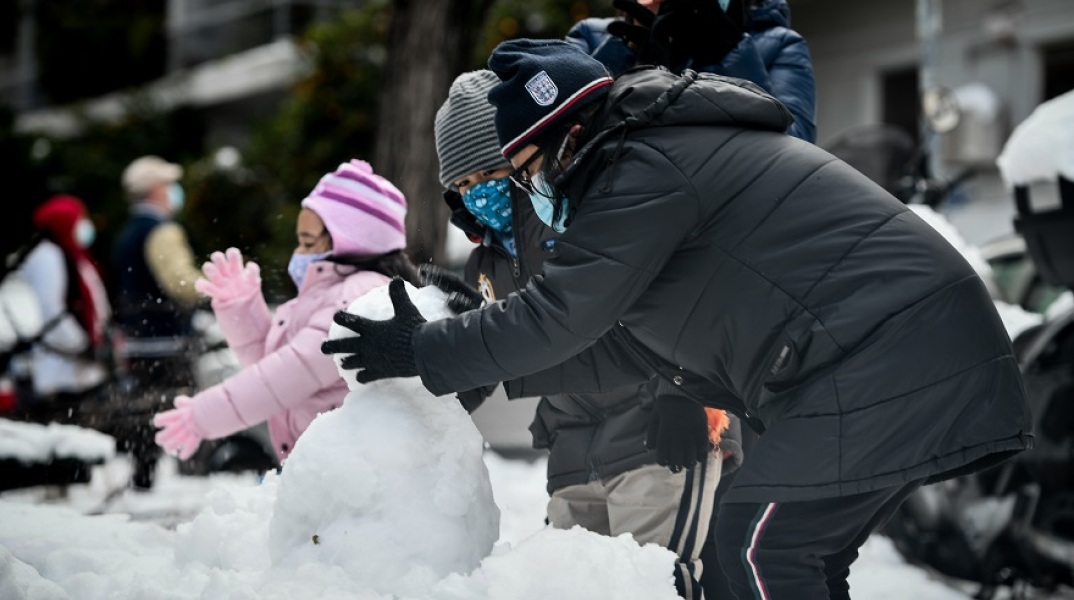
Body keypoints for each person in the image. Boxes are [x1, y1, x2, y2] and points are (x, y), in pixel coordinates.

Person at [322, 40, 1032, 599]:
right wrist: (477, 372)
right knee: (782, 558)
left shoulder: (641, 169)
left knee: (758, 547)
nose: (519, 187)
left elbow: (561, 315)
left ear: (564, 136)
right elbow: (630, 351)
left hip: (892, 348)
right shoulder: (636, 173)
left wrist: (428, 349)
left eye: (520, 168)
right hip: (881, 353)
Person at [432, 69, 735, 599]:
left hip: (658, 431)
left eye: (486, 174)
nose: (476, 194)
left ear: (519, 156)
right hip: (571, 449)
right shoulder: (486, 262)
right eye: (461, 185)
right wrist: (428, 374)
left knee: (654, 586)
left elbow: (680, 297)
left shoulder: (579, 214)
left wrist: (683, 394)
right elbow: (495, 356)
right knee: (572, 587)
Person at [153, 159, 418, 465]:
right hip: (328, 469)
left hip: (354, 473)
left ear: (352, 242)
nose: (298, 254)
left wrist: (204, 415)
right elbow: (274, 368)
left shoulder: (360, 298)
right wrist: (241, 310)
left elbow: (286, 375)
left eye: (307, 242)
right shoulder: (326, 293)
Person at [566, 0, 815, 143]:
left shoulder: (778, 45)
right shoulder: (590, 37)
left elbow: (797, 146)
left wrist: (729, 53)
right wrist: (630, 64)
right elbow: (559, 146)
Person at [112, 155, 203, 488]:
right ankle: (185, 476)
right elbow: (180, 283)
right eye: (168, 185)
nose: (173, 191)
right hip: (167, 339)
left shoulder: (127, 233)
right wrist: (215, 285)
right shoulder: (162, 231)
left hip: (138, 338)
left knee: (144, 413)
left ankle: (143, 472)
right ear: (154, 191)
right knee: (178, 407)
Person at [11, 195, 111, 418]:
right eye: (80, 218)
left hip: (79, 368)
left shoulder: (71, 253)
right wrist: (81, 345)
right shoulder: (47, 256)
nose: (85, 224)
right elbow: (51, 312)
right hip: (58, 369)